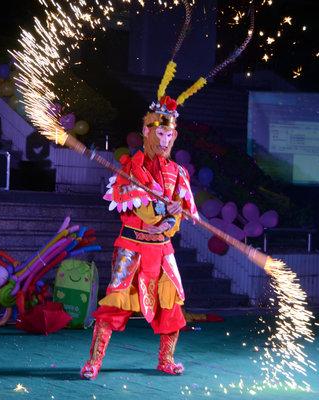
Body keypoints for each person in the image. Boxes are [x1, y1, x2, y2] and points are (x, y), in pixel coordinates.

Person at [80, 95, 198, 380]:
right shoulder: (131, 169)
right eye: (160, 133)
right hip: (132, 246)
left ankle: (166, 359)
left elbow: (181, 211)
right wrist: (159, 214)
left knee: (171, 304)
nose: (166, 140)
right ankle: (94, 362)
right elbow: (137, 206)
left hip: (162, 249)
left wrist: (170, 219)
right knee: (115, 302)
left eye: (170, 135)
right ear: (147, 131)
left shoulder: (178, 172)